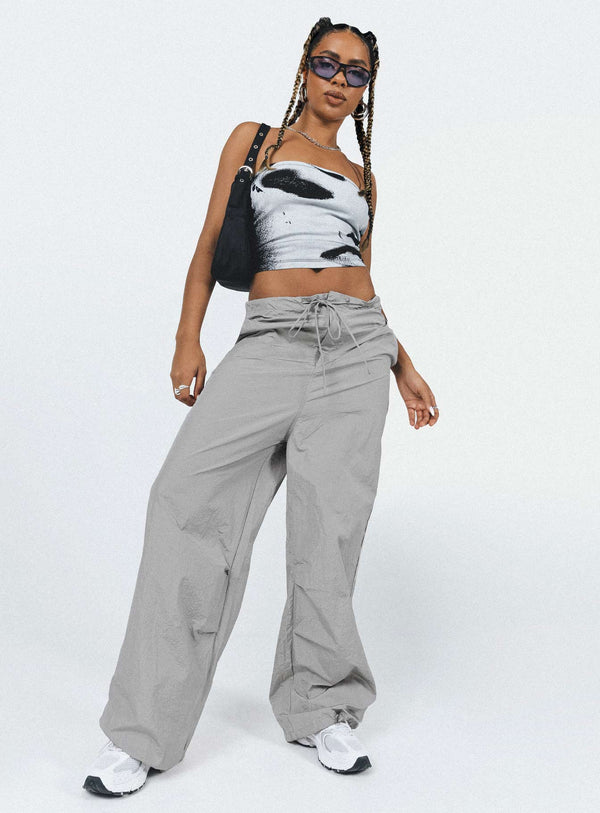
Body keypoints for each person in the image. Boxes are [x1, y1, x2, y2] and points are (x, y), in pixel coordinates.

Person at [83, 16, 439, 797]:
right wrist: (188, 338)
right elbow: (210, 242)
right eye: (328, 64)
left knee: (329, 531)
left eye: (356, 73)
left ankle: (322, 706)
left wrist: (403, 365)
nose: (340, 81)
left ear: (367, 89)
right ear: (305, 66)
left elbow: (360, 276)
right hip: (271, 339)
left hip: (357, 349)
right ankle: (144, 728)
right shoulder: (255, 142)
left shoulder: (365, 179)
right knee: (183, 504)